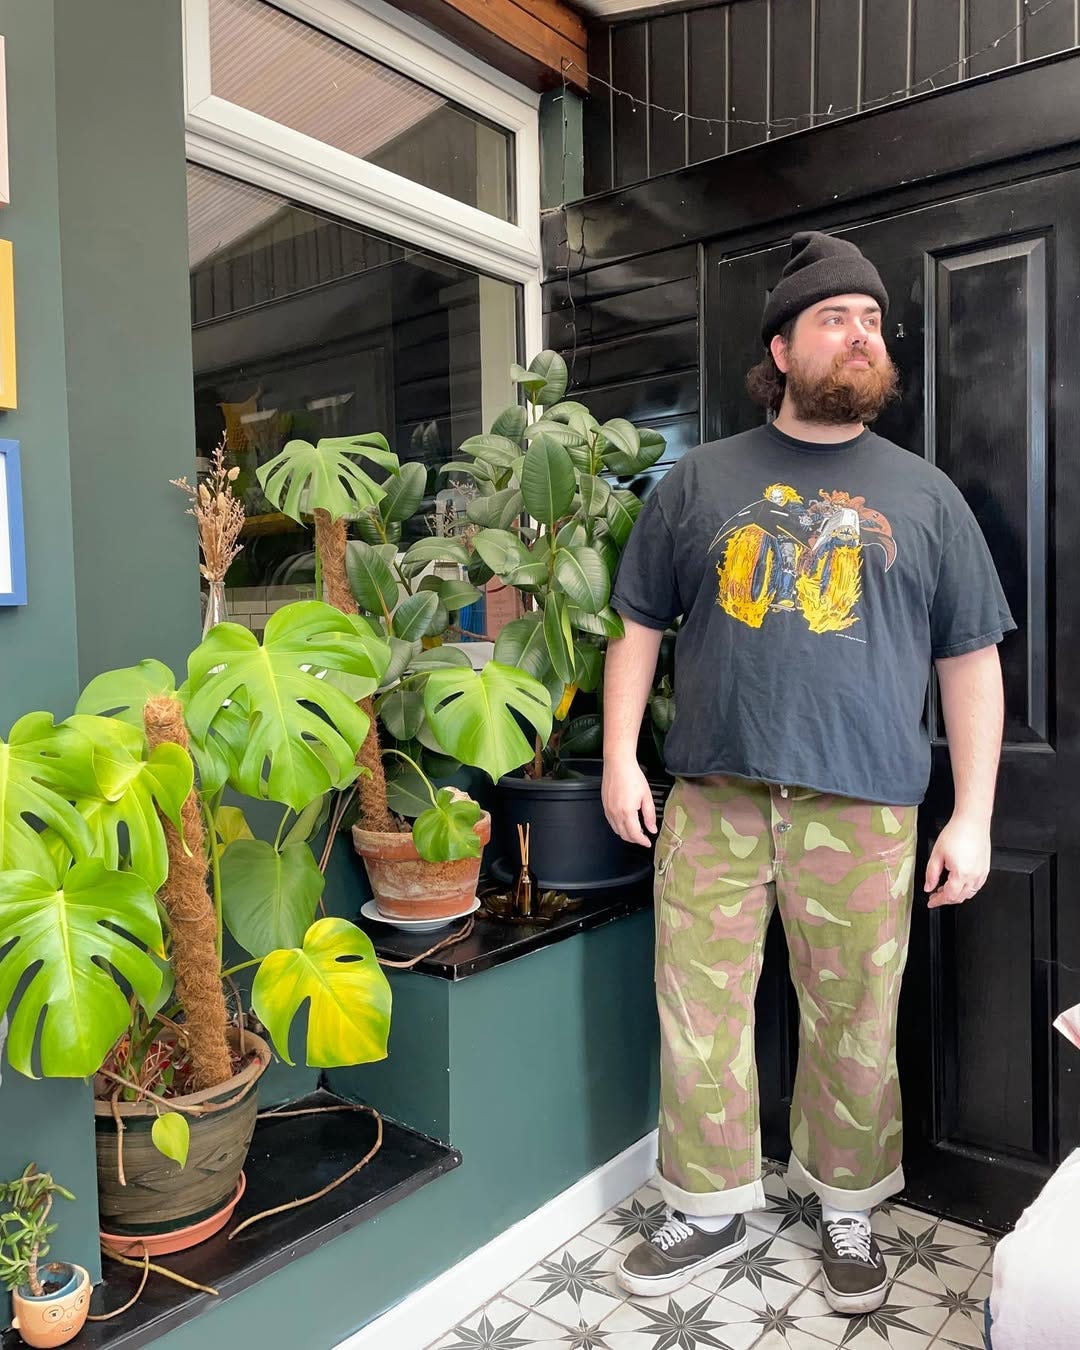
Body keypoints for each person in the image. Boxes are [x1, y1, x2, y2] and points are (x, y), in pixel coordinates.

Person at [602, 231, 1014, 1315]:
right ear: (782, 347)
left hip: (865, 808)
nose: (863, 335)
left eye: (874, 320)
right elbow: (637, 629)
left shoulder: (923, 497)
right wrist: (616, 763)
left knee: (855, 1017)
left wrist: (971, 815)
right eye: (838, 318)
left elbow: (972, 662)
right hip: (713, 800)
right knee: (697, 1010)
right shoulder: (698, 481)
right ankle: (707, 1199)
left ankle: (843, 1200)